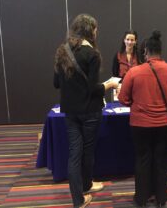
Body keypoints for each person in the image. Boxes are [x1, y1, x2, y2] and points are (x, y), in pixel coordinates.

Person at [53, 14, 118, 208]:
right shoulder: (92, 54)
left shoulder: (62, 51)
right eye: (96, 29)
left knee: (75, 153)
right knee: (87, 151)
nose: (97, 32)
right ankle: (87, 186)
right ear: (90, 30)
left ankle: (78, 199)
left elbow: (56, 83)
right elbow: (93, 89)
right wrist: (109, 84)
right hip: (90, 111)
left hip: (70, 111)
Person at [118, 30, 167, 207]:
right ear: (160, 51)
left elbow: (123, 99)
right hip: (165, 124)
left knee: (142, 160)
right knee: (161, 160)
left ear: (145, 51)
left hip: (140, 124)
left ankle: (141, 198)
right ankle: (161, 199)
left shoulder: (134, 72)